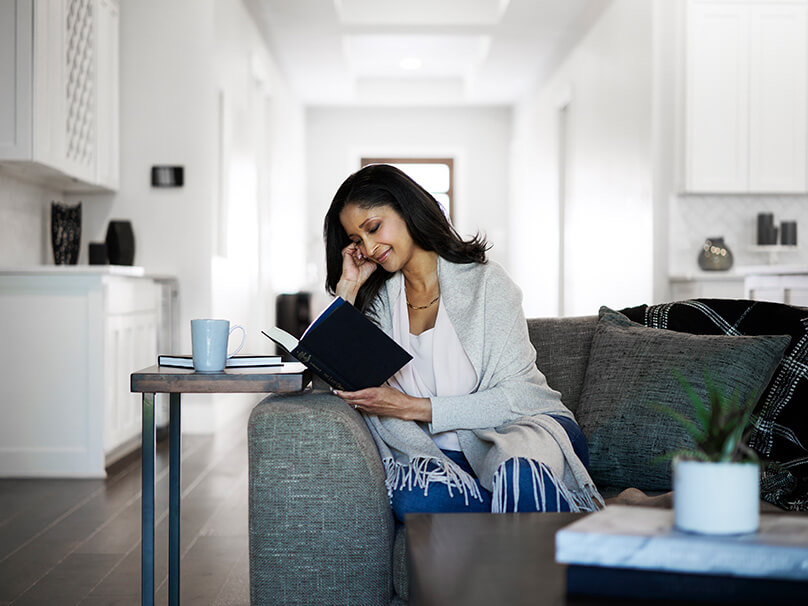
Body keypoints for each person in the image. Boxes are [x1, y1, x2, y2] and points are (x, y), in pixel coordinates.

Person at [323, 164, 604, 521]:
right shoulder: (378, 302)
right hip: (443, 453)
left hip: (524, 433)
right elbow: (335, 374)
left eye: (374, 227)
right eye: (357, 240)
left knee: (519, 478)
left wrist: (413, 407)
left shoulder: (487, 284)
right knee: (417, 501)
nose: (370, 246)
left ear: (407, 209)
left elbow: (519, 398)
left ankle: (519, 507)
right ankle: (532, 512)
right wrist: (348, 287)